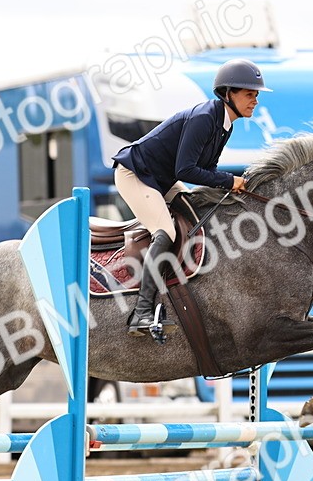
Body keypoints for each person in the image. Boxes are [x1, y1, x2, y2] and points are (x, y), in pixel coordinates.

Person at [112, 58, 270, 337]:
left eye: (256, 95)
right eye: (249, 94)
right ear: (228, 93)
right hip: (136, 174)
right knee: (165, 232)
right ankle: (142, 312)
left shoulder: (225, 125)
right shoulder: (204, 118)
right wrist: (228, 181)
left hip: (163, 178)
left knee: (196, 217)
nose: (255, 101)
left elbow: (205, 169)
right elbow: (186, 169)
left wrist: (230, 187)